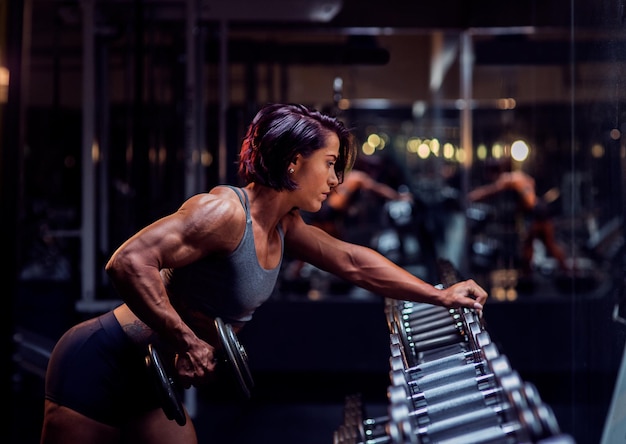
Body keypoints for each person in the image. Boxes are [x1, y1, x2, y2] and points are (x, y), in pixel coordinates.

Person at [40, 103, 488, 444]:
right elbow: (128, 262)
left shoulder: (284, 225)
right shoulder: (222, 213)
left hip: (153, 382)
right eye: (330, 163)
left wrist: (441, 295)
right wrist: (187, 341)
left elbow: (354, 262)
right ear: (294, 161)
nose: (336, 180)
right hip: (102, 364)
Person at [467, 158, 568, 275]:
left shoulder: (507, 178)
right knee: (540, 245)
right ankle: (537, 275)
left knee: (536, 246)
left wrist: (470, 197)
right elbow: (531, 182)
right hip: (538, 213)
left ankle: (563, 273)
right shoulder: (518, 176)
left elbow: (490, 191)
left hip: (535, 214)